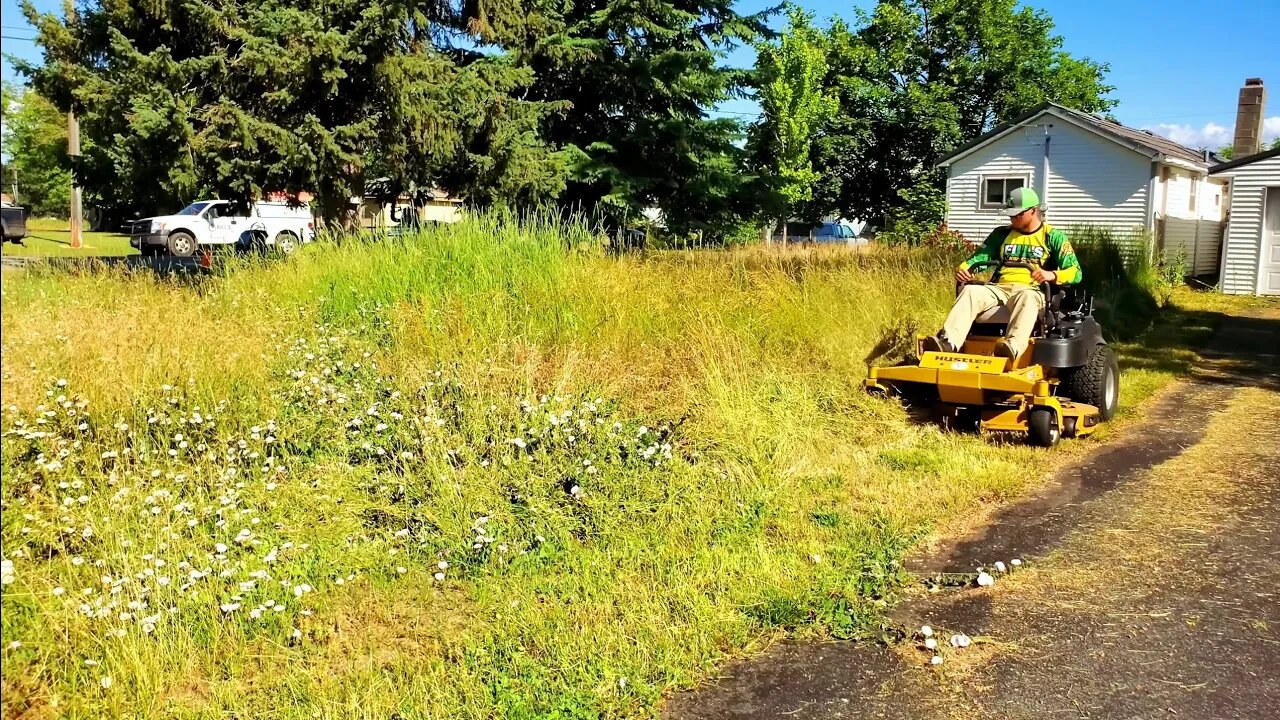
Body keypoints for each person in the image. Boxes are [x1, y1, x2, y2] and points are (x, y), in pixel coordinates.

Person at [924, 187, 1081, 359]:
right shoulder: (1001, 234)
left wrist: (1052, 275)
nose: (1012, 218)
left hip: (1031, 290)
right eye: (1010, 214)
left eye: (1017, 215)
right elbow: (978, 259)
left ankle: (1011, 348)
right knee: (970, 291)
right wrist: (965, 269)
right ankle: (947, 343)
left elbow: (1075, 272)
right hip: (999, 288)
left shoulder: (1053, 237)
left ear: (1033, 211)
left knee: (1026, 297)